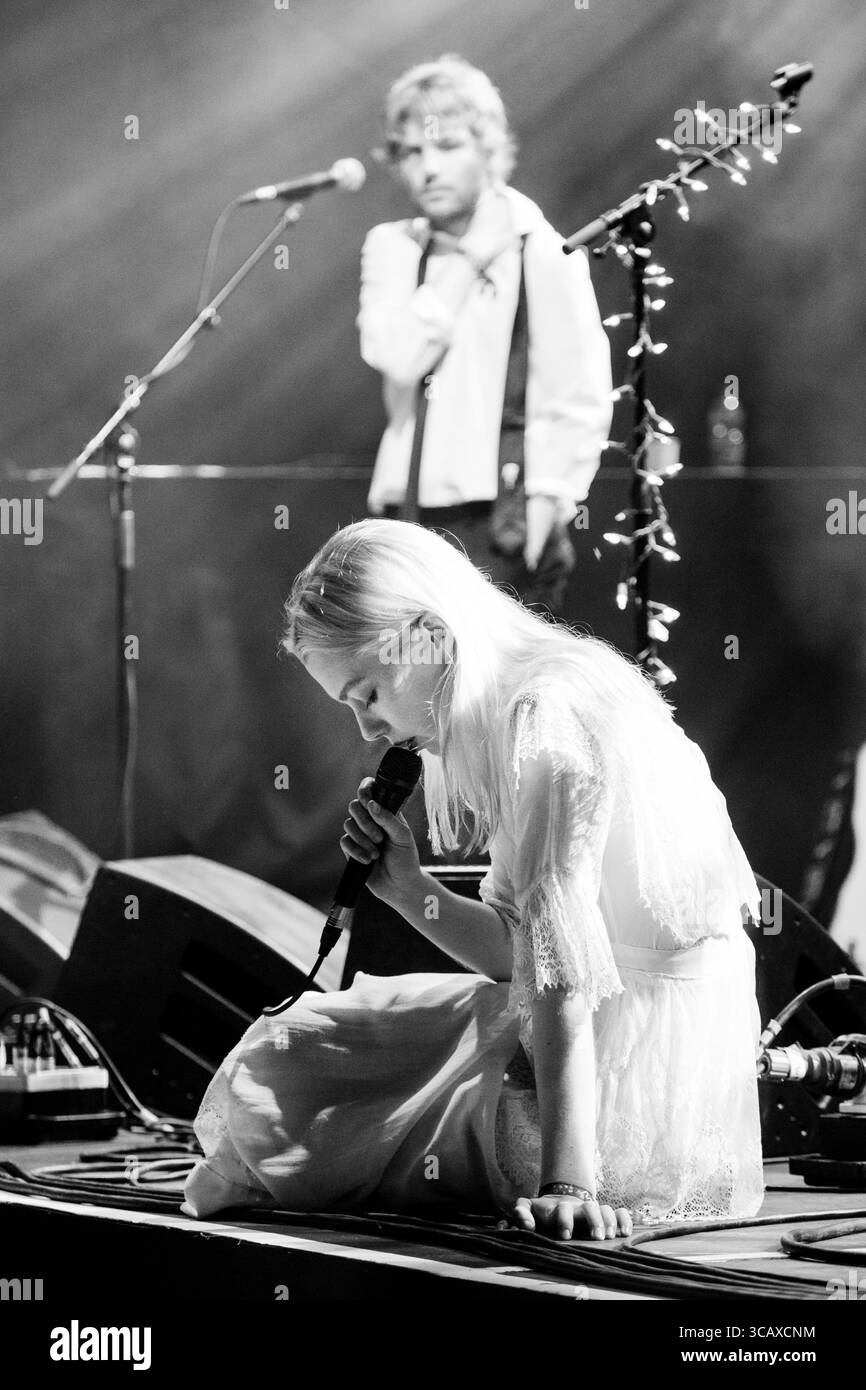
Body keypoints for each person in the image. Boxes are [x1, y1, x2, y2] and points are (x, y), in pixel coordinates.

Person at [183, 520, 765, 1238]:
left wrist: (568, 1184)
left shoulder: (548, 713)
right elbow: (520, 960)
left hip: (623, 1101)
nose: (368, 730)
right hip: (597, 1049)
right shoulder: (528, 697)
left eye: (367, 694)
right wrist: (407, 888)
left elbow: (561, 985)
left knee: (294, 1075)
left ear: (428, 636)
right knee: (292, 1050)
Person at [358, 55, 613, 618]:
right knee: (411, 699)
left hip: (506, 521)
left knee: (501, 703)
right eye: (411, 151)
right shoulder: (393, 246)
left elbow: (581, 393)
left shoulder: (543, 250)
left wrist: (547, 508)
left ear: (489, 149)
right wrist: (471, 259)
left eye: (447, 146)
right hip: (410, 518)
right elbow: (396, 356)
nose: (428, 168)